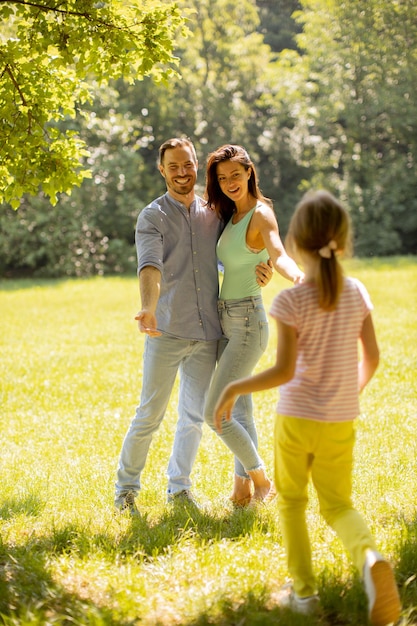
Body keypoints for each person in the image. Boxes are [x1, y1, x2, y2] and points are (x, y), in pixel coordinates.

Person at [214, 190, 401, 625]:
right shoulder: (356, 292)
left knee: (294, 504)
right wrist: (348, 392)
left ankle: (303, 594)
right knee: (337, 505)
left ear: (295, 240)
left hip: (297, 420)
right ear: (342, 238)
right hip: (340, 420)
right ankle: (370, 559)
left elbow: (282, 371)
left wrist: (233, 388)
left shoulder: (290, 301)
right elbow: (371, 357)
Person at [114, 137, 272, 514]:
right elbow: (149, 266)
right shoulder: (152, 216)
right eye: (173, 166)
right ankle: (126, 489)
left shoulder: (213, 212)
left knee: (193, 418)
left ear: (195, 165)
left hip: (208, 333)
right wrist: (148, 308)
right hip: (166, 329)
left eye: (187, 165)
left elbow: (236, 250)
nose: (182, 172)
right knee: (149, 414)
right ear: (162, 170)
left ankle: (179, 489)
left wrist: (261, 269)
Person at [203, 144, 304, 507]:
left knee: (215, 412)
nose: (230, 182)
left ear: (249, 172)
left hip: (247, 321)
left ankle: (262, 481)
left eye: (235, 174)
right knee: (239, 412)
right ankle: (241, 490)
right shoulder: (229, 215)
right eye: (222, 177)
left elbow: (277, 253)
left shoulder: (261, 214)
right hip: (227, 319)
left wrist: (297, 278)